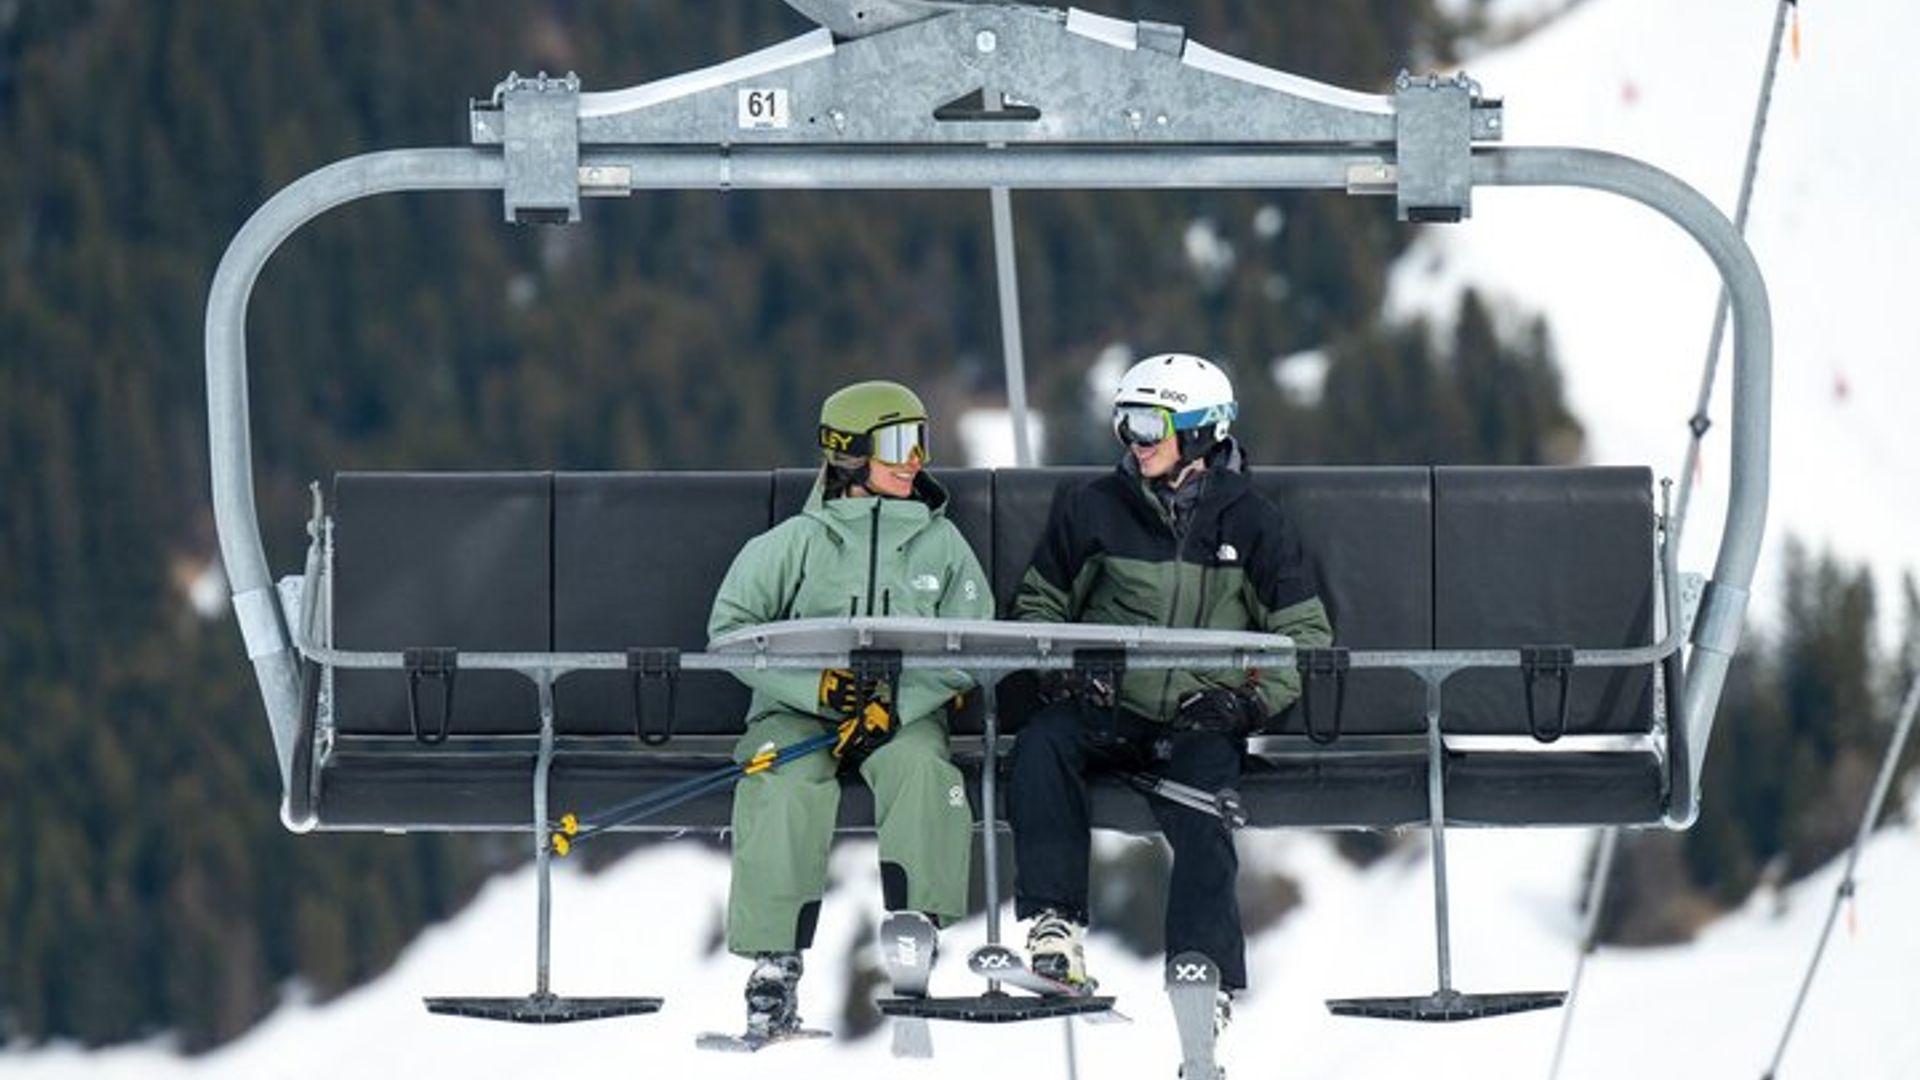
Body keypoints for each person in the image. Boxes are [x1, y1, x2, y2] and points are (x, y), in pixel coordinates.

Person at [1005, 352, 1334, 1034]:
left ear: (1203, 430)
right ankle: (1053, 930)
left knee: (1203, 804)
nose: (1135, 439)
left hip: (1199, 716)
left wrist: (1243, 702)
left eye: (1151, 423)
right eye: (1125, 421)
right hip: (1109, 707)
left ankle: (1200, 974)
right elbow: (1038, 606)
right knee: (1042, 746)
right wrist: (1065, 668)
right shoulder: (1094, 509)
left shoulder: (1255, 525)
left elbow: (1303, 638)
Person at [707, 379, 993, 1040]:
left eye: (922, 441)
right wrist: (820, 692)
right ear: (849, 452)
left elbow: (975, 642)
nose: (915, 458)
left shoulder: (940, 545)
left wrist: (900, 703)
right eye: (898, 443)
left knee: (922, 772)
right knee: (779, 782)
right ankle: (775, 963)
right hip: (799, 717)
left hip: (902, 717)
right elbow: (731, 634)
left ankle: (916, 929)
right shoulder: (794, 544)